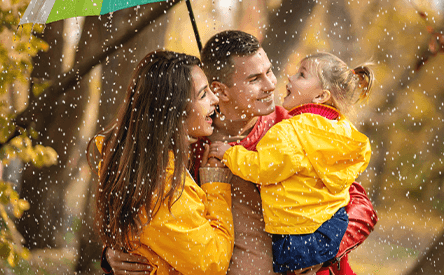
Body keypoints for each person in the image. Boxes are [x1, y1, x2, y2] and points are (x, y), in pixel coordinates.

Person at [104, 31, 377, 275]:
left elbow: (361, 207)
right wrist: (113, 254)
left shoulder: (294, 129)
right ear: (219, 90)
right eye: (254, 79)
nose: (271, 84)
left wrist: (319, 251)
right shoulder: (191, 146)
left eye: (269, 71)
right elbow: (143, 207)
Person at [208, 52, 373, 274]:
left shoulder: (289, 131)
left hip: (296, 236)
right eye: (254, 79)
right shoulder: (340, 131)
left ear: (320, 96)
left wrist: (230, 154)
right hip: (332, 226)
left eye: (301, 74)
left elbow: (262, 167)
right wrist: (327, 245)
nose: (286, 78)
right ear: (221, 90)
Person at [90, 50, 234, 275]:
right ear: (175, 110)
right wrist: (216, 184)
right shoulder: (165, 183)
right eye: (203, 94)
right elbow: (211, 263)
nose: (215, 99)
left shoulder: (138, 161)